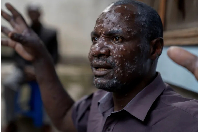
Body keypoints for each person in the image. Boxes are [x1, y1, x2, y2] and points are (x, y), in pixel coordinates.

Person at [1, 0, 197, 132]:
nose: (96, 50)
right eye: (95, 38)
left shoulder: (185, 119)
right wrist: (40, 58)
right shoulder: (101, 101)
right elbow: (64, 116)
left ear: (154, 49)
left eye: (117, 38)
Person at [2, 3, 59, 132]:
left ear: (40, 13)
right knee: (8, 83)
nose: (33, 15)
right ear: (28, 14)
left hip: (43, 70)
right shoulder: (21, 33)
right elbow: (16, 56)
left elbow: (55, 57)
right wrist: (25, 69)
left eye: (35, 12)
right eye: (31, 12)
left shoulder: (50, 33)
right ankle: (11, 120)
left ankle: (46, 122)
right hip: (23, 70)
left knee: (51, 87)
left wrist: (41, 69)